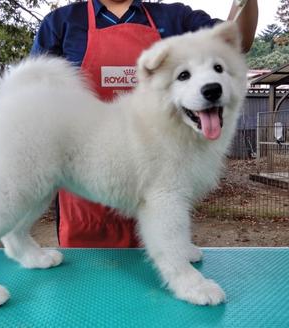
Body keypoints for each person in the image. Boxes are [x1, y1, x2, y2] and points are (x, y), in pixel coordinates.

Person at [30, 0, 258, 248]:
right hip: (86, 184)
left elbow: (237, 42)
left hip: (161, 177)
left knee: (162, 265)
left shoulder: (175, 18)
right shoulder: (61, 23)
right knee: (89, 275)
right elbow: (36, 95)